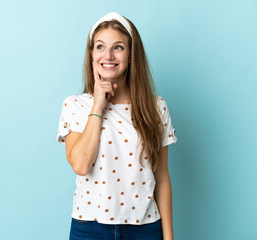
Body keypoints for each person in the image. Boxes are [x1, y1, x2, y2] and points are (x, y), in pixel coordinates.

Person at [57, 12, 177, 240]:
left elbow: (162, 178)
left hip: (145, 229)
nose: (108, 55)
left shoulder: (155, 107)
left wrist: (169, 237)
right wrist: (98, 107)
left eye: (118, 47)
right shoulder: (75, 105)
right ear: (91, 54)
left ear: (131, 54)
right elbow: (81, 165)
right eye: (100, 47)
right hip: (89, 228)